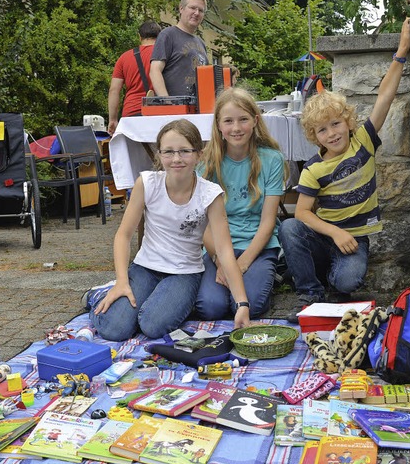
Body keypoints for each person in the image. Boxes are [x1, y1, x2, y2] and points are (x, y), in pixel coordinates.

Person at [280, 17, 410, 323]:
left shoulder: (364, 140)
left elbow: (385, 97)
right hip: (326, 234)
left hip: (355, 238)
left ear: (348, 122)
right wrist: (334, 232)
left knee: (347, 282)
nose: (332, 133)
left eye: (336, 124)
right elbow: (301, 213)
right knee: (288, 228)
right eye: (323, 130)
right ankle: (310, 294)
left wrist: (402, 51)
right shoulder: (314, 168)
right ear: (314, 137)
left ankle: (335, 287)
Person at [89, 119, 251, 341]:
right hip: (146, 266)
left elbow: (224, 251)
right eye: (168, 152)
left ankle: (149, 303)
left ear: (199, 155)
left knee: (152, 326)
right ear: (159, 155)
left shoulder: (210, 194)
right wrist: (121, 281)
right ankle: (96, 295)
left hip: (184, 273)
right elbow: (123, 235)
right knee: (114, 329)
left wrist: (242, 303)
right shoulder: (147, 183)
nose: (176, 159)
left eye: (184, 151)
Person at [195, 87, 286, 322]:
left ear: (255, 121)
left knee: (251, 305)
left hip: (257, 245)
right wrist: (220, 261)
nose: (236, 128)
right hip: (217, 246)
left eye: (243, 119)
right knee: (210, 308)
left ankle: (269, 272)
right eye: (228, 121)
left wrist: (242, 263)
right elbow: (203, 225)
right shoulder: (207, 164)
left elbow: (268, 221)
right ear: (218, 125)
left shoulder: (271, 159)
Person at [149, 0, 208, 97]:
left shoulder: (201, 43)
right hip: (175, 109)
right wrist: (167, 102)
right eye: (193, 8)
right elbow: (155, 71)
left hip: (198, 109)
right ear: (181, 8)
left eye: (201, 10)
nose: (197, 13)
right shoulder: (168, 35)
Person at [107, 21, 162, 134]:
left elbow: (114, 90)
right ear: (160, 36)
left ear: (139, 36)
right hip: (158, 112)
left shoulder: (124, 58)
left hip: (131, 115)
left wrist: (113, 119)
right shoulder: (164, 55)